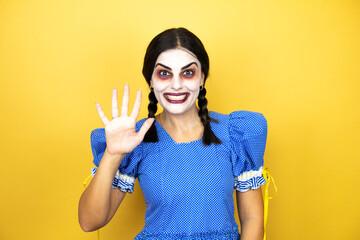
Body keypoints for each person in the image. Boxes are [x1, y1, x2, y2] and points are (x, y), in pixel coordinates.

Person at [78, 27, 267, 240]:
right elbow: (89, 222)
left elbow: (253, 219)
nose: (176, 85)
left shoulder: (235, 133)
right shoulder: (136, 139)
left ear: (202, 77)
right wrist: (113, 154)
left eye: (188, 73)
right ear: (151, 80)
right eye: (164, 73)